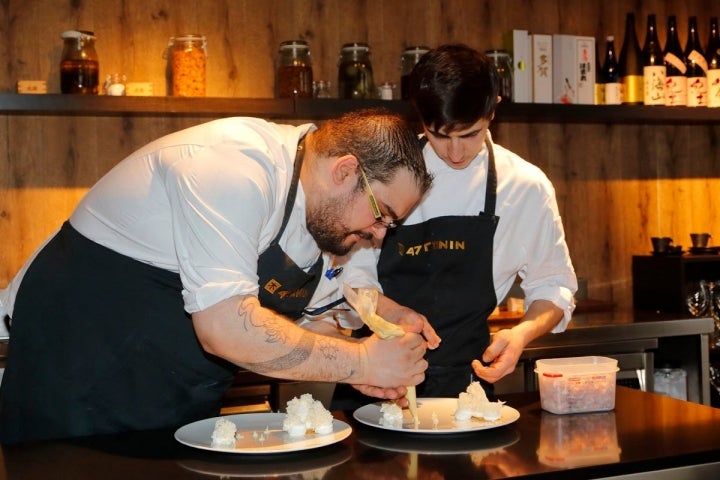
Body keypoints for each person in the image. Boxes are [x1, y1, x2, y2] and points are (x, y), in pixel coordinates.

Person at [0, 109, 434, 444]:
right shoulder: (232, 165)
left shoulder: (325, 213)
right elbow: (226, 328)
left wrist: (387, 319)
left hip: (175, 395)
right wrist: (360, 361)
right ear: (344, 171)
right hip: (79, 375)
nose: (379, 236)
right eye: (382, 216)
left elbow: (325, 301)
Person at [335, 44, 577, 402]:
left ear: (493, 111)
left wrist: (521, 333)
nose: (455, 153)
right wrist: (392, 314)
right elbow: (349, 275)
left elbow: (554, 286)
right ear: (419, 121)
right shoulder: (384, 175)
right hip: (377, 378)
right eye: (439, 135)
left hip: (468, 391)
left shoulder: (525, 187)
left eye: (470, 134)